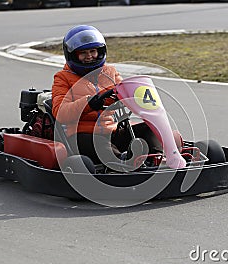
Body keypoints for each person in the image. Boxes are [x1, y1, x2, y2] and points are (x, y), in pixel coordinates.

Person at [52, 25, 162, 165]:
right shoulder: (63, 78)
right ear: (72, 54)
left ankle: (157, 158)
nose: (90, 56)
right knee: (98, 144)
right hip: (83, 134)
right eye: (83, 53)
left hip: (113, 131)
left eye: (93, 51)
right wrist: (89, 103)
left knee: (150, 127)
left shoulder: (109, 73)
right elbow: (60, 112)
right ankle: (121, 163)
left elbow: (125, 92)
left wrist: (135, 98)